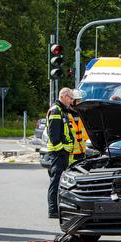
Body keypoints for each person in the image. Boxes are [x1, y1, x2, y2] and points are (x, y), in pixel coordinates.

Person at [46, 88, 74, 218]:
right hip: (58, 153)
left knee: (59, 182)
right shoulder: (56, 110)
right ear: (63, 96)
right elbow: (54, 135)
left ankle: (57, 208)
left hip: (62, 153)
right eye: (70, 98)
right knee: (56, 181)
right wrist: (61, 149)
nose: (71, 100)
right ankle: (53, 210)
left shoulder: (62, 110)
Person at [67, 89, 88, 165]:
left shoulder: (82, 115)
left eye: (81, 101)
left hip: (82, 152)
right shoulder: (66, 115)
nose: (80, 103)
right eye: (78, 101)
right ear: (72, 102)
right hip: (71, 154)